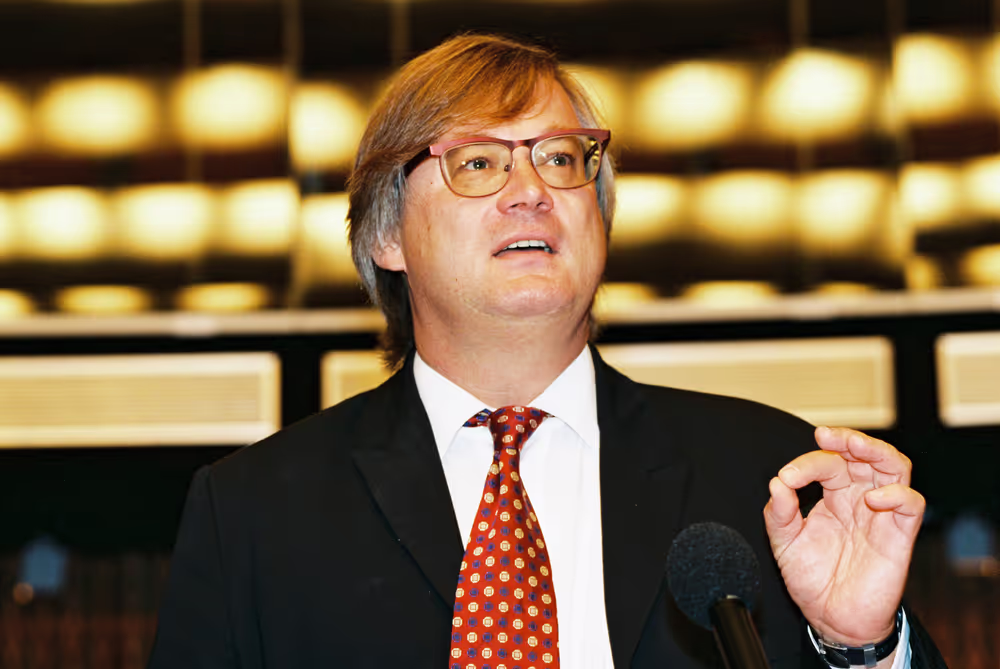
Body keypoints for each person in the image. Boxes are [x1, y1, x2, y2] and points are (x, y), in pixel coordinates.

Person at [148, 34, 946, 668]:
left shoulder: (769, 478)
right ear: (387, 234)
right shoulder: (253, 512)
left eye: (561, 157)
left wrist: (862, 650)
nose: (531, 189)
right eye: (479, 162)